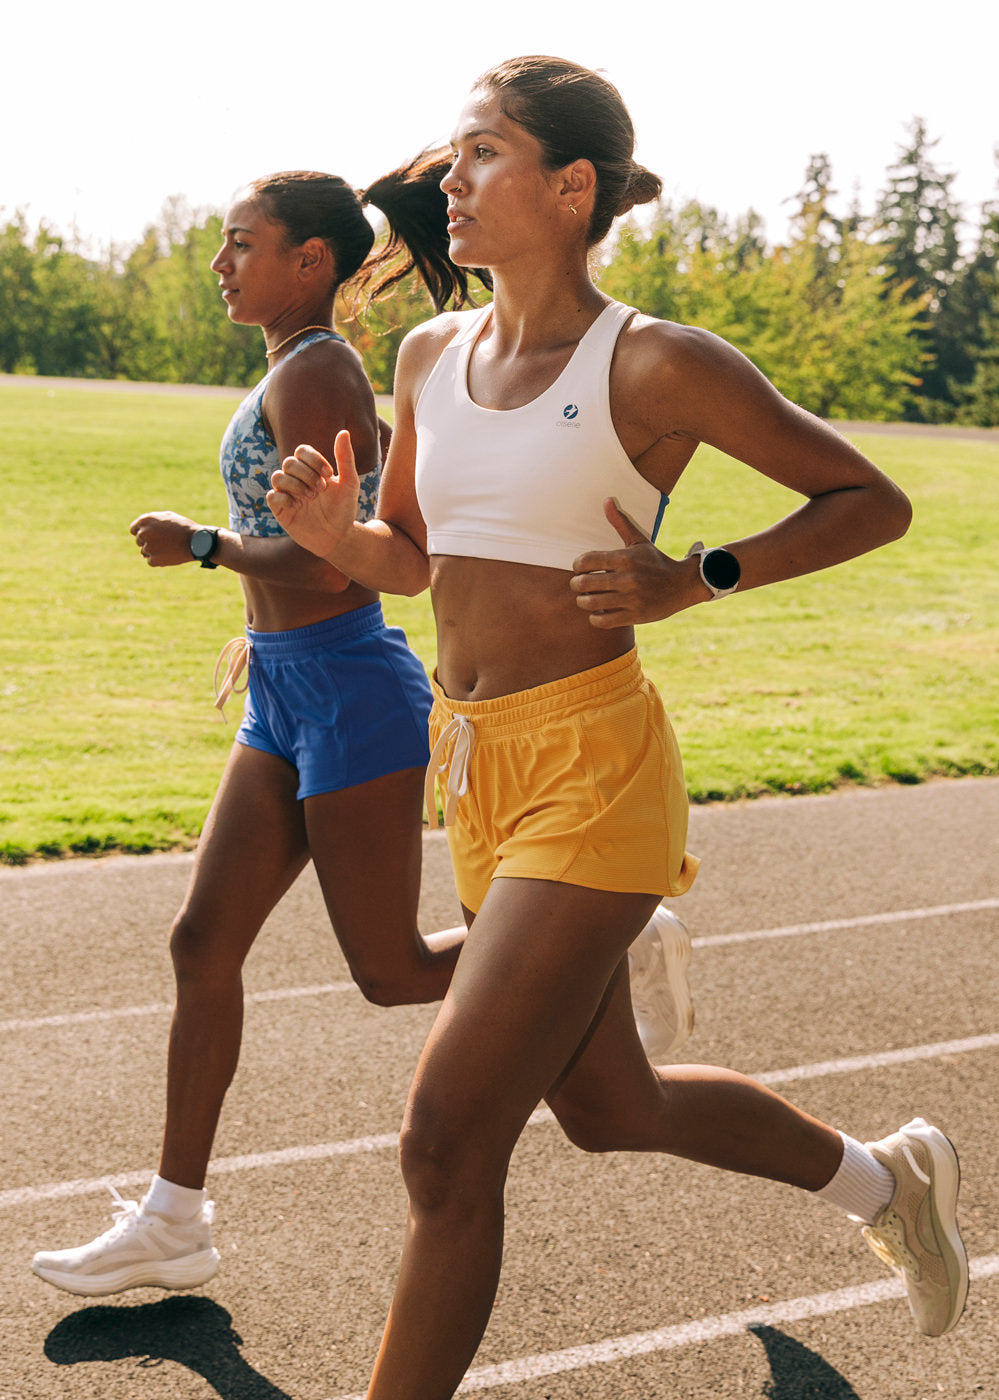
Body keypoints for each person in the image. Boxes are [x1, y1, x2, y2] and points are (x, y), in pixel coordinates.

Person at [267, 57, 969, 1398]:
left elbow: (864, 500)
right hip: (472, 773)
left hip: (592, 767)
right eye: (451, 155)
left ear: (568, 185)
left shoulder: (653, 362)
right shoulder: (426, 354)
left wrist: (693, 576)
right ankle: (885, 1178)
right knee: (608, 1111)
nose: (446, 179)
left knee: (443, 1141)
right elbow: (412, 559)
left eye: (480, 155)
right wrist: (328, 538)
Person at [30, 167, 690, 1300]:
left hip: (352, 690)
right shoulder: (292, 366)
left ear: (312, 262)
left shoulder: (325, 367)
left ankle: (598, 942)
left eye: (244, 243)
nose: (221, 263)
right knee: (202, 942)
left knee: (388, 970)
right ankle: (173, 1217)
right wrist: (250, 607)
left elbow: (351, 552)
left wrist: (210, 549)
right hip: (285, 689)